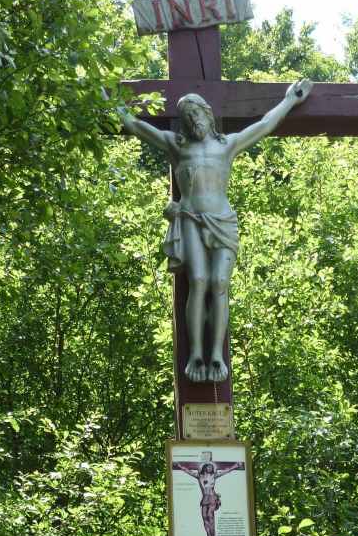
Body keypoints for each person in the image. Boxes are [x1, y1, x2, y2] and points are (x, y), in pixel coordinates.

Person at [113, 81, 313, 381]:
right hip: (191, 218)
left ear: (208, 115)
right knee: (199, 279)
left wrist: (289, 101)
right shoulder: (175, 144)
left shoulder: (226, 145)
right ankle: (196, 353)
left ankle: (217, 356)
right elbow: (134, 124)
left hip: (223, 219)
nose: (194, 122)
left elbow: (264, 125)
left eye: (198, 115)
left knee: (220, 282)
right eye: (188, 118)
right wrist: (105, 102)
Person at [173, 459, 244, 536]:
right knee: (204, 517)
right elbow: (189, 472)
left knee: (210, 515)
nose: (210, 468)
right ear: (204, 468)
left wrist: (236, 466)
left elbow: (226, 471)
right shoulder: (200, 476)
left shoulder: (214, 476)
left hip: (212, 498)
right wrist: (179, 466)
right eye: (208, 467)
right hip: (205, 498)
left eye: (211, 467)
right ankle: (209, 535)